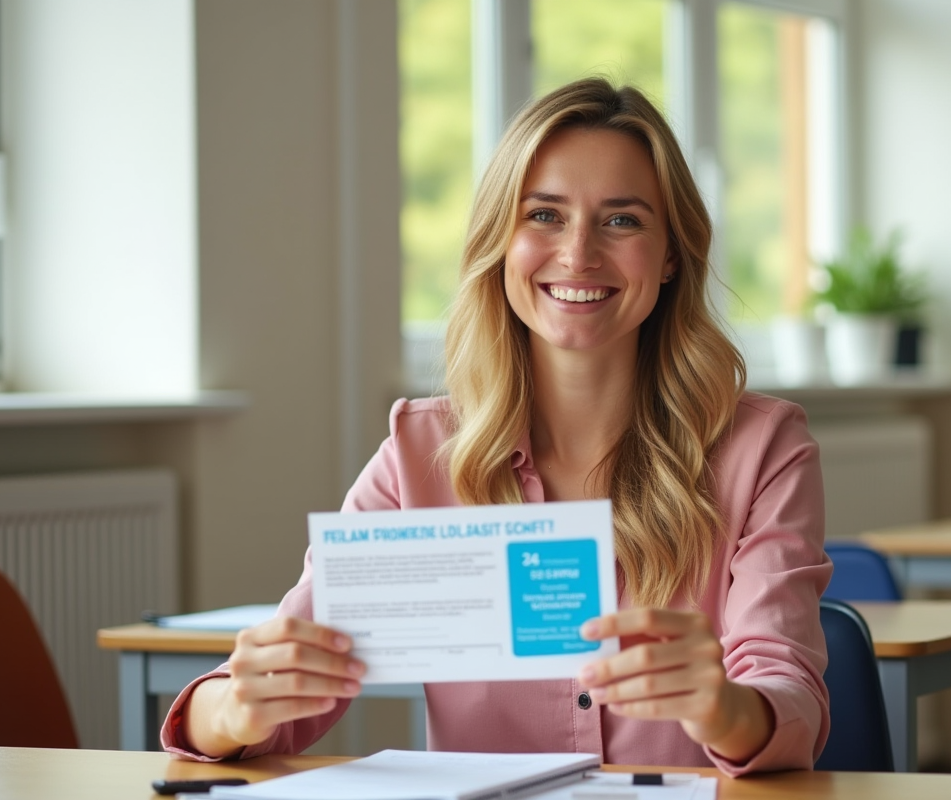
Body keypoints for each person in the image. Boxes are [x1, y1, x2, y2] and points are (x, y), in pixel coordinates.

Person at [162, 78, 831, 776]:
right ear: (500, 242)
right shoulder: (418, 456)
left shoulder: (764, 450)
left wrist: (723, 707)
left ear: (670, 255)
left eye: (623, 220)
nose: (578, 255)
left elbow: (789, 698)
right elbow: (266, 696)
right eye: (543, 215)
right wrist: (238, 709)